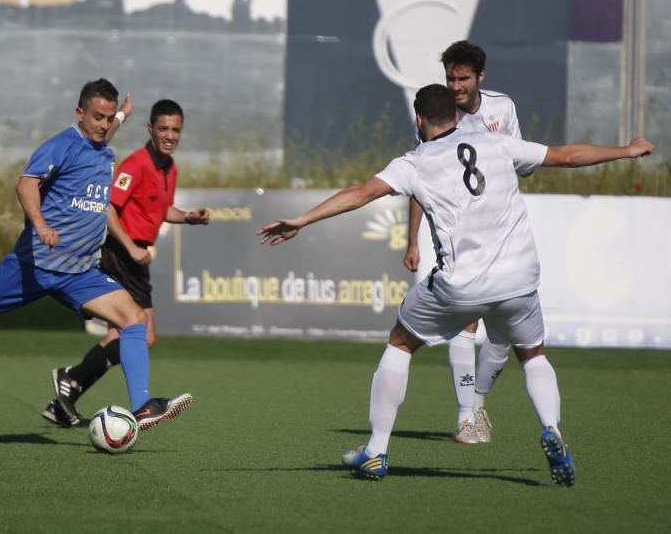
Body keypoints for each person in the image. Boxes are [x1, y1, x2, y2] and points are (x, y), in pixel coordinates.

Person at [258, 83, 653, 485]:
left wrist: (301, 221)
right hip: (518, 280)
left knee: (401, 341)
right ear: (459, 115)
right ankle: (551, 428)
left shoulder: (413, 163)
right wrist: (626, 149)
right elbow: (567, 156)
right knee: (533, 354)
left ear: (418, 119)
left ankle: (375, 450)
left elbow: (361, 193)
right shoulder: (497, 143)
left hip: (461, 286)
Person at [0, 79, 192, 431]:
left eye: (108, 118)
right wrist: (39, 224)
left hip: (79, 272)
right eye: (97, 117)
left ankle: (143, 405)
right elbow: (25, 184)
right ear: (79, 113)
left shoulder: (102, 143)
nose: (103, 124)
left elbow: (109, 129)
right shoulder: (60, 145)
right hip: (34, 265)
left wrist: (124, 116)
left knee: (134, 320)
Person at [41, 99, 210, 428]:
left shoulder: (169, 167)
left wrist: (188, 217)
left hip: (136, 259)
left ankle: (67, 392)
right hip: (119, 255)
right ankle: (76, 381)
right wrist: (131, 247)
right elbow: (108, 207)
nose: (170, 135)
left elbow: (162, 211)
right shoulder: (136, 164)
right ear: (150, 129)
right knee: (140, 335)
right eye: (163, 128)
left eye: (176, 129)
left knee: (132, 334)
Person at [403, 41, 521, 444]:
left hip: (502, 229)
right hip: (459, 233)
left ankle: (478, 402)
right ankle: (466, 417)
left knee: (504, 335)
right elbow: (420, 182)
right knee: (465, 324)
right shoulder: (438, 116)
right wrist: (413, 240)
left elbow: (523, 164)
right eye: (450, 77)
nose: (455, 85)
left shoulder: (502, 109)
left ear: (479, 78)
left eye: (463, 78)